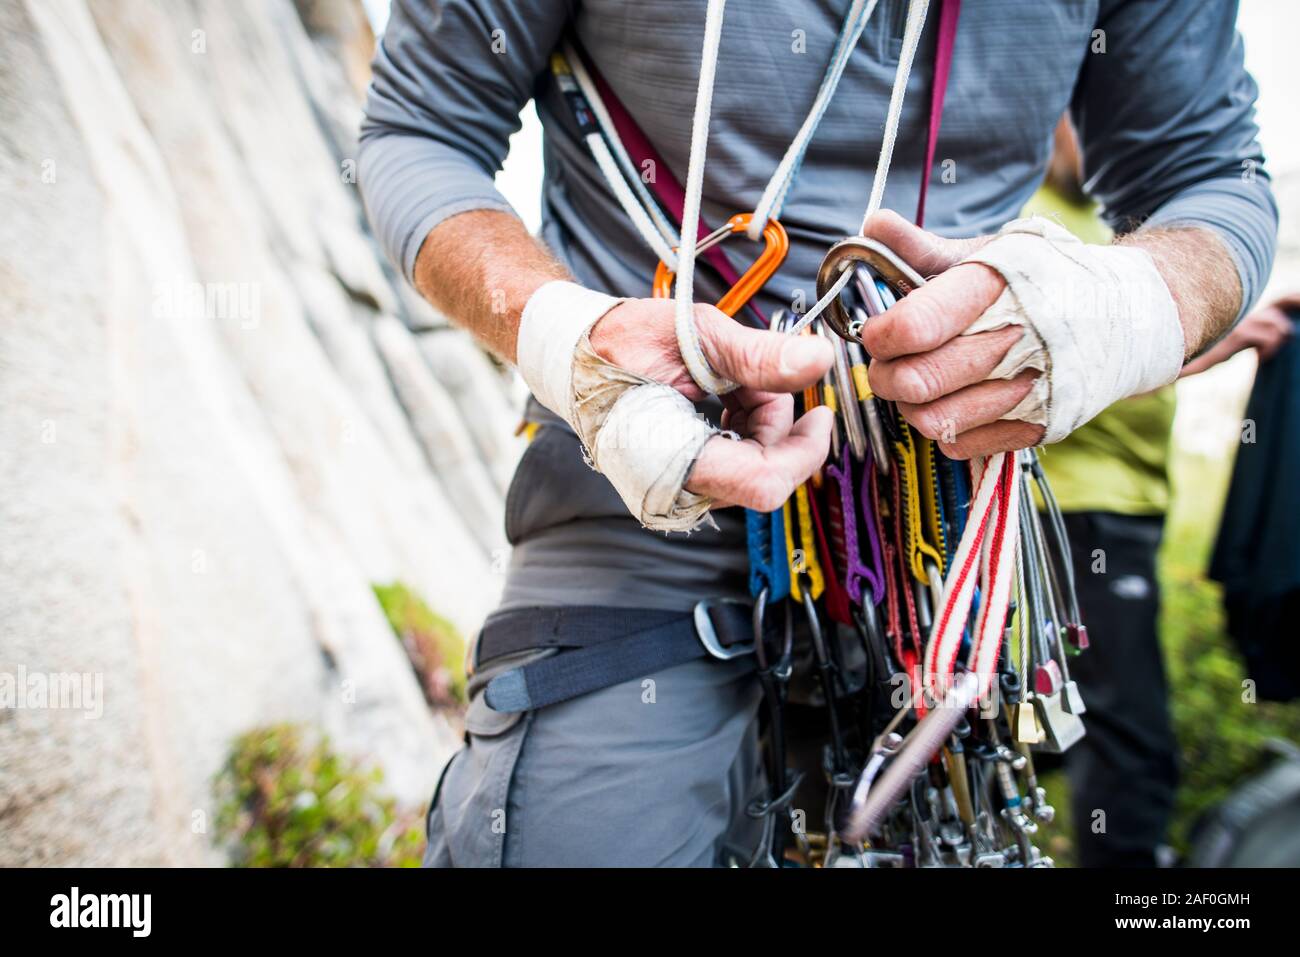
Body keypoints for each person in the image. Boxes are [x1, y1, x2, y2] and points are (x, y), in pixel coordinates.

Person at [357, 0, 1277, 866]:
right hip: (634, 487)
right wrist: (573, 343)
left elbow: (1211, 183)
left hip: (946, 549)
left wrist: (1117, 310)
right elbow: (418, 128)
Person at [1025, 117, 1290, 867]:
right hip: (1079, 509)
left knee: (1080, 713)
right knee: (1130, 732)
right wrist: (1225, 342)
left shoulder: (1115, 222)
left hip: (1120, 510)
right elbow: (1083, 375)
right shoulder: (1042, 227)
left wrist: (1227, 333)